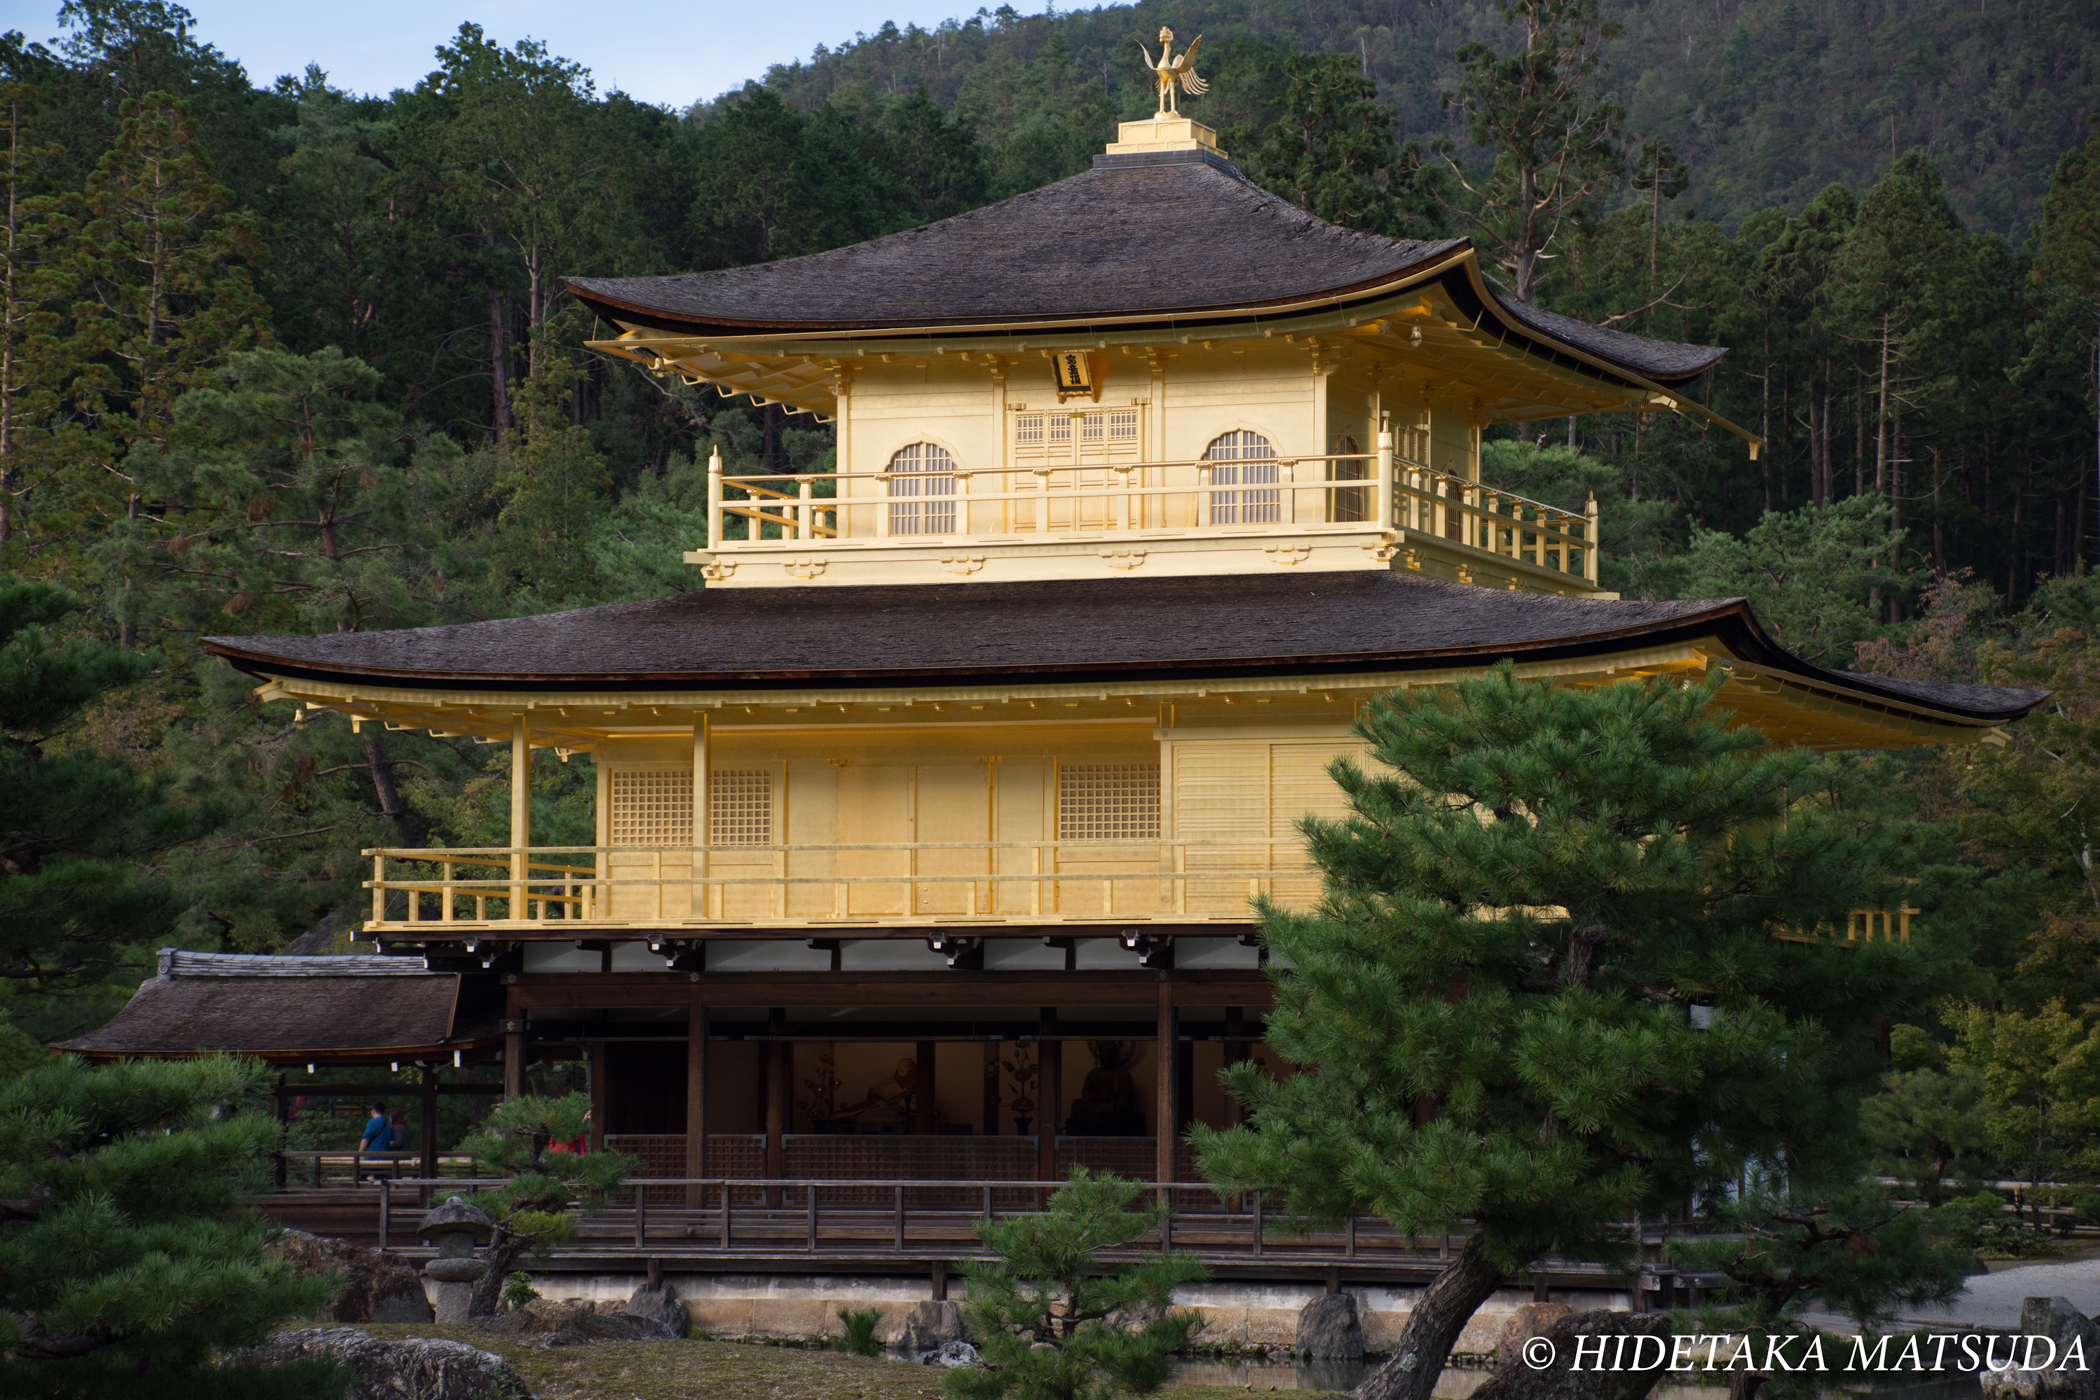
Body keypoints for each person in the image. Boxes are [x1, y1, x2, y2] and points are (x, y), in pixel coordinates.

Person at [356, 1101, 389, 1182]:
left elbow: (366, 1139)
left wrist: (360, 1153)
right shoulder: (388, 1124)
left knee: (360, 1177)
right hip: (385, 1157)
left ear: (373, 1110)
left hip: (372, 1156)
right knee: (379, 1179)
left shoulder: (373, 1122)